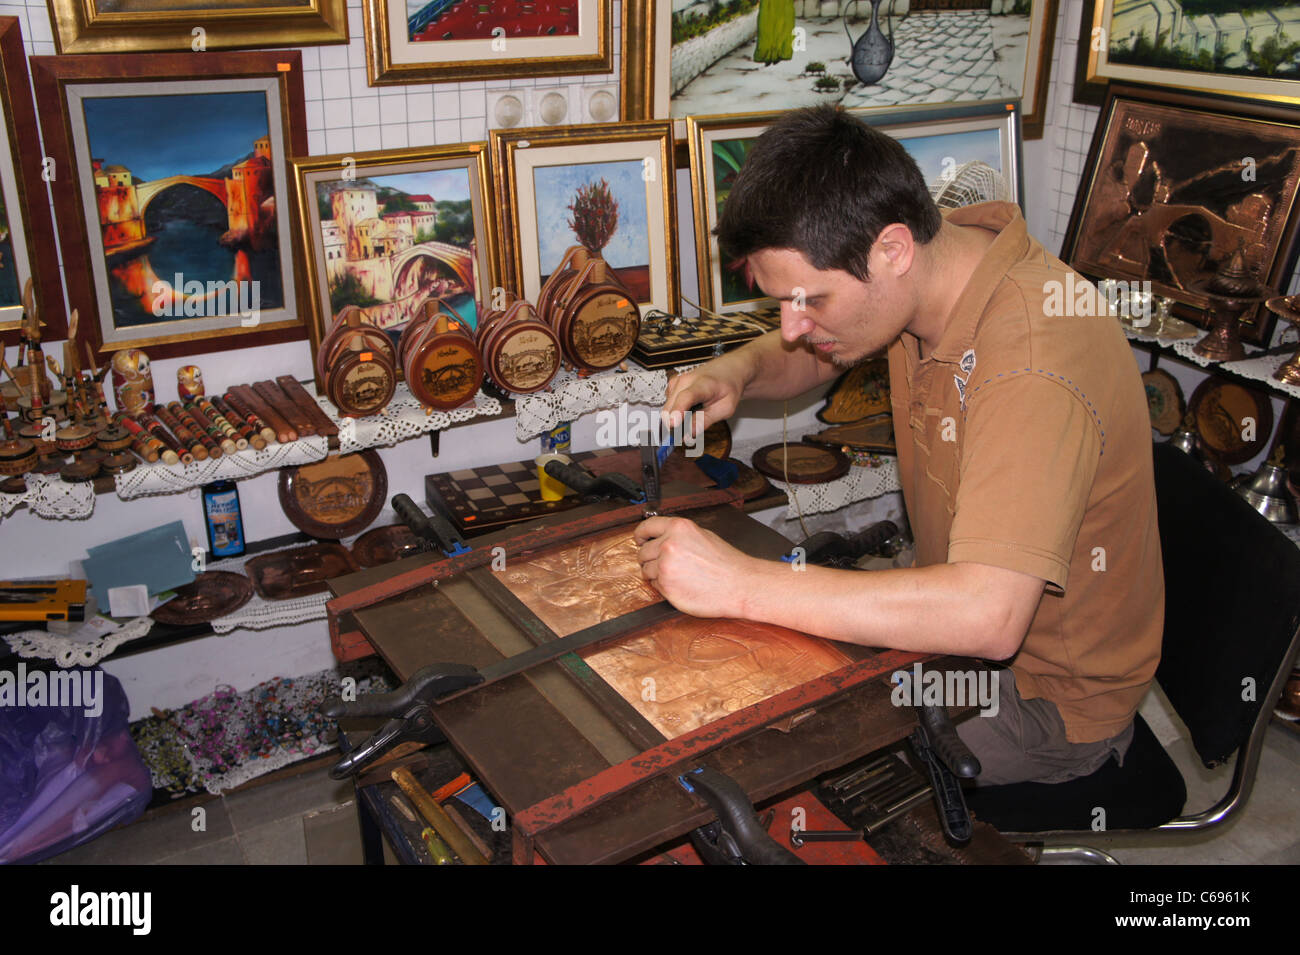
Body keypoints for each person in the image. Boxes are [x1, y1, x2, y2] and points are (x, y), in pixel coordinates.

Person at [634, 106, 1164, 786]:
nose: (794, 329)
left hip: (1043, 695)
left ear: (892, 250)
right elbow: (825, 350)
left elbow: (989, 617)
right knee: (739, 677)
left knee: (778, 763)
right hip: (957, 624)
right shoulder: (938, 263)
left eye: (811, 301)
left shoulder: (1034, 360)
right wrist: (738, 369)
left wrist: (737, 581)